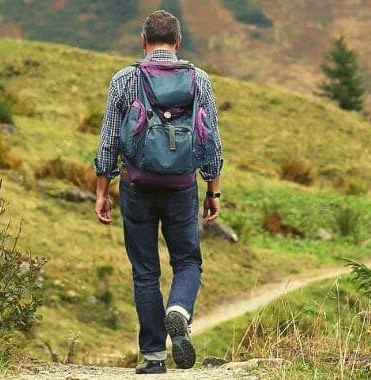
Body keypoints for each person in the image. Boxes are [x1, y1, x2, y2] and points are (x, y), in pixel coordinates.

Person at [93, 10, 223, 375]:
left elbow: (108, 142)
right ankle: (179, 309)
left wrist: (103, 190)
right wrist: (213, 190)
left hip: (137, 185)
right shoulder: (200, 80)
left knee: (145, 271)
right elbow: (211, 141)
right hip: (182, 186)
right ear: (178, 42)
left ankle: (153, 356)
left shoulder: (124, 80)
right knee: (187, 261)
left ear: (143, 41)